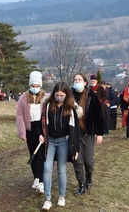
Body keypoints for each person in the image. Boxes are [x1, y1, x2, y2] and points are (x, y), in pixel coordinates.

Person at [40, 81, 80, 211]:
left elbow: (75, 129)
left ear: (66, 95)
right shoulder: (48, 105)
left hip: (64, 141)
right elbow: (42, 123)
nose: (59, 97)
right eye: (57, 95)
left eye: (61, 95)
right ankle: (47, 198)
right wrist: (41, 134)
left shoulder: (71, 108)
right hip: (50, 141)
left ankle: (61, 196)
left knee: (61, 170)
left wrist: (75, 148)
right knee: (47, 168)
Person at [71, 73, 103, 196]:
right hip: (74, 134)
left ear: (85, 82)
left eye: (79, 80)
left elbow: (98, 116)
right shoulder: (70, 96)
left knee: (88, 161)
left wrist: (99, 133)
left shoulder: (91, 96)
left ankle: (89, 176)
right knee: (77, 161)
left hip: (87, 133)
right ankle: (81, 185)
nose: (77, 82)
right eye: (75, 80)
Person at [16, 71, 48, 193]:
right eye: (33, 86)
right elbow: (19, 116)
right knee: (33, 155)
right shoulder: (23, 98)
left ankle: (42, 180)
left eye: (37, 86)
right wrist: (22, 133)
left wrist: (44, 132)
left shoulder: (45, 97)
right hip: (30, 129)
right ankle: (36, 177)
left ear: (40, 86)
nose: (35, 88)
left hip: (41, 127)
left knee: (41, 155)